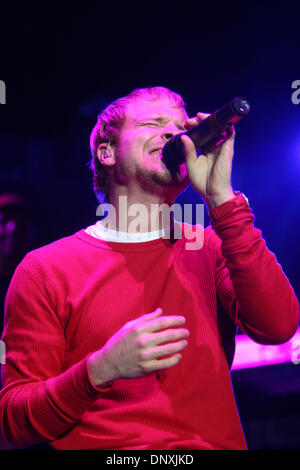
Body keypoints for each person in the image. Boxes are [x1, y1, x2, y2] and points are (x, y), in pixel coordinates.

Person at [0, 87, 298, 450]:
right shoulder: (45, 270)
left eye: (179, 126)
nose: (173, 133)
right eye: (153, 123)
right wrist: (99, 370)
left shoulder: (213, 247)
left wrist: (222, 199)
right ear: (106, 152)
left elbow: (279, 326)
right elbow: (14, 422)